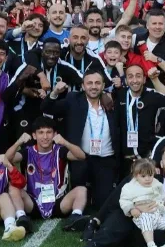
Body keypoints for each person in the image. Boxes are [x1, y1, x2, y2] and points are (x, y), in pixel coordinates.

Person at [43, 69, 124, 210]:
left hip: (106, 159)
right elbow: (48, 108)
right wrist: (55, 92)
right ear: (83, 86)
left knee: (103, 204)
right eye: (90, 83)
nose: (94, 86)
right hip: (81, 158)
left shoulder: (112, 102)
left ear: (103, 85)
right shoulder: (73, 100)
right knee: (82, 203)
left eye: (98, 83)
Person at [6, 118, 89, 230]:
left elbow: (81, 156)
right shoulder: (28, 151)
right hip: (33, 202)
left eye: (49, 132)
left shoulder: (60, 150)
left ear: (55, 134)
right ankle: (22, 218)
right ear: (34, 135)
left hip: (58, 202)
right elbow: (7, 158)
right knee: (13, 188)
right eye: (41, 132)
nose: (45, 137)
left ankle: (75, 217)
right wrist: (18, 142)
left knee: (81, 189)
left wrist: (65, 142)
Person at [117, 158, 165, 247]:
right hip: (141, 216)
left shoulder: (156, 184)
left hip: (157, 216)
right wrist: (132, 209)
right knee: (146, 217)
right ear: (136, 175)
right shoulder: (129, 187)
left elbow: (161, 195)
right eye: (143, 176)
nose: (147, 179)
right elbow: (124, 201)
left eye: (150, 175)